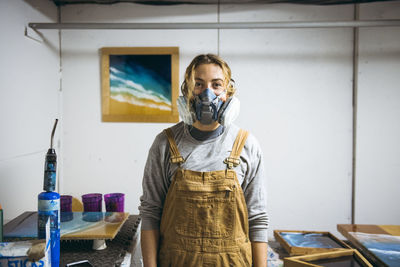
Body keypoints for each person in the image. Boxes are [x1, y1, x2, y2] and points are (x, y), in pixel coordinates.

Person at [139, 54, 269, 267]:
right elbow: (150, 214)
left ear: (227, 92)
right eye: (198, 84)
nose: (207, 93)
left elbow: (258, 219)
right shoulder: (164, 143)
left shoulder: (247, 145)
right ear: (187, 90)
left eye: (216, 84)